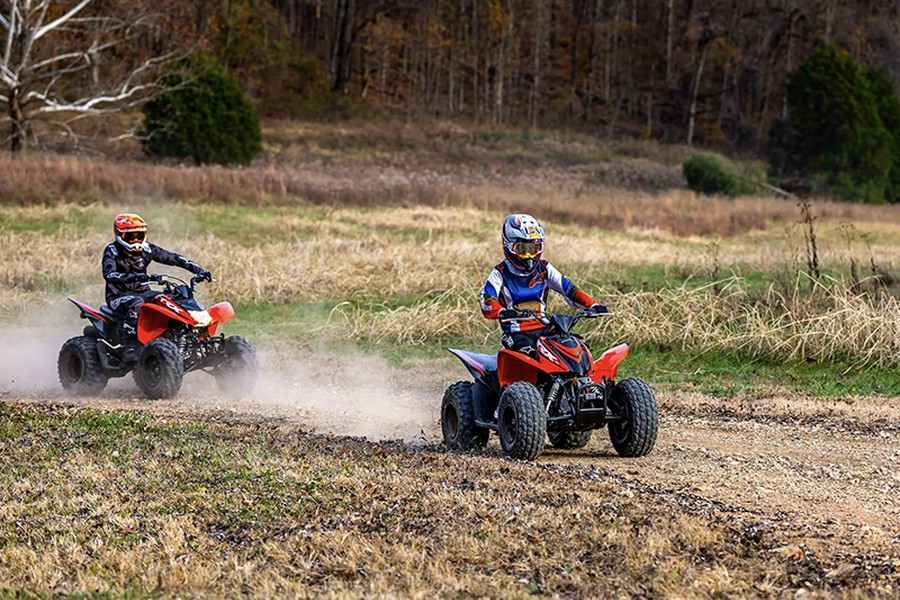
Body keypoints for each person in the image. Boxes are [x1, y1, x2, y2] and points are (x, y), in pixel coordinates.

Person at [480, 214, 607, 356]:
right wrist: (502, 312)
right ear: (508, 246)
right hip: (516, 334)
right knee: (530, 354)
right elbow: (487, 300)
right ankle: (521, 379)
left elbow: (570, 291)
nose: (529, 256)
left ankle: (584, 378)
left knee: (579, 347)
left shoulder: (544, 268)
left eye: (534, 249)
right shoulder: (500, 273)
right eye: (522, 250)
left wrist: (593, 306)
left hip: (545, 328)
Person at [103, 213, 211, 339]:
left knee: (167, 300)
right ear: (119, 234)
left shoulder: (148, 249)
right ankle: (130, 345)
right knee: (137, 303)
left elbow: (175, 258)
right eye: (131, 237)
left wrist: (199, 270)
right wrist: (136, 277)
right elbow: (109, 275)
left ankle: (175, 335)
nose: (136, 241)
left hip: (143, 291)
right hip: (118, 296)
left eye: (139, 236)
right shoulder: (112, 251)